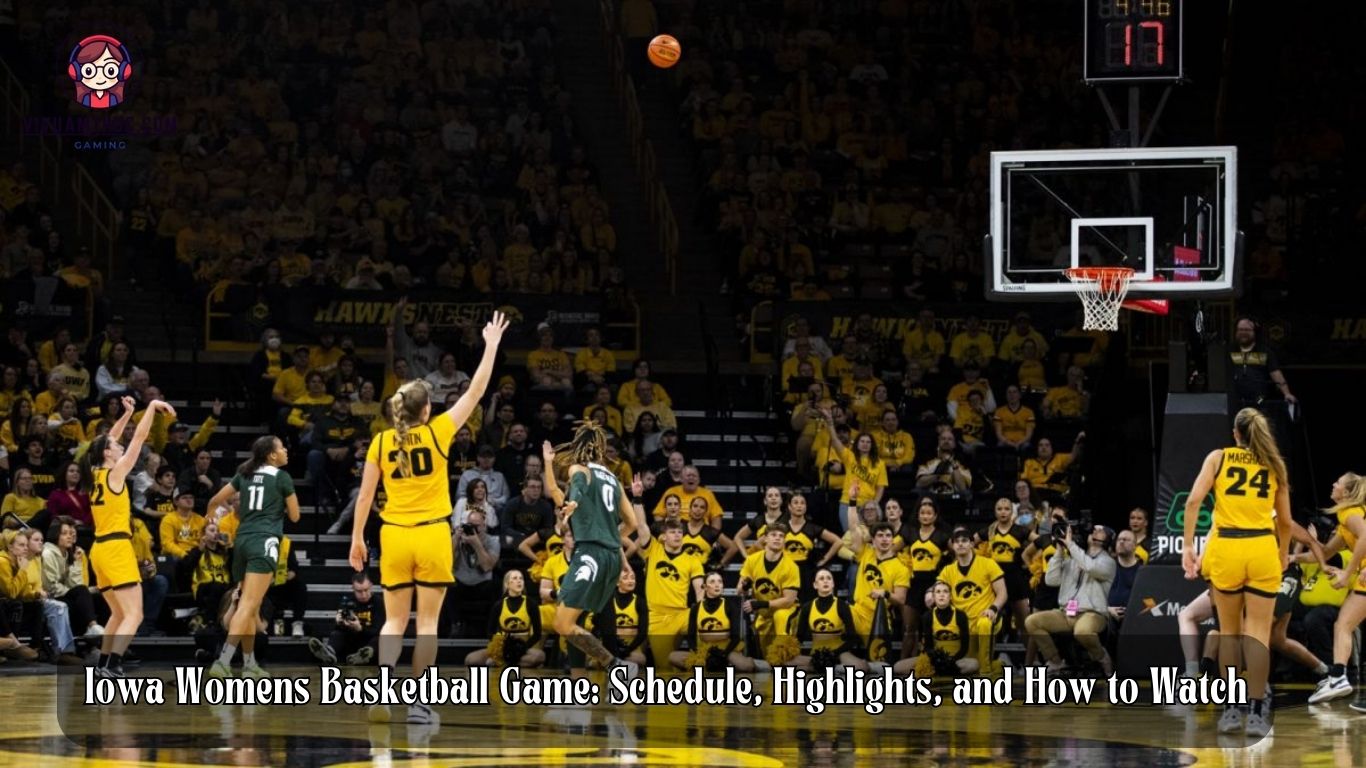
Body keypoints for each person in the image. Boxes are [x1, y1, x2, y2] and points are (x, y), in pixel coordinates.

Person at [349, 311, 507, 726]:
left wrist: (356, 540)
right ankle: (418, 703)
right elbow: (475, 390)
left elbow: (365, 495)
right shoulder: (438, 431)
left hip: (394, 535)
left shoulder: (381, 440)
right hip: (433, 533)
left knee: (394, 621)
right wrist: (490, 345)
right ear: (427, 410)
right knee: (429, 623)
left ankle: (381, 694)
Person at [1182, 407, 1290, 736]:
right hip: (1261, 549)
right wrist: (1283, 552)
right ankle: (1257, 712)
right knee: (1257, 634)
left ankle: (1231, 710)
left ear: (1235, 434)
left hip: (1227, 547)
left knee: (1228, 632)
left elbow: (1193, 502)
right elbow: (1285, 522)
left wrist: (1188, 547)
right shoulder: (1275, 464)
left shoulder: (1219, 457)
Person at [541, 422, 644, 676]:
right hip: (611, 558)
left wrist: (573, 502)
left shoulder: (580, 469)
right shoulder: (614, 480)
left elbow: (576, 488)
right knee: (574, 622)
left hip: (591, 556)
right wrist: (609, 536)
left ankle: (615, 666)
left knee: (562, 623)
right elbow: (633, 524)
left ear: (579, 447)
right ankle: (581, 699)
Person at [83, 396, 169, 678]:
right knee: (134, 614)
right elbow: (139, 437)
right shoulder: (116, 473)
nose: (120, 445)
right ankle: (113, 665)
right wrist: (152, 406)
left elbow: (107, 438)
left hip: (98, 550)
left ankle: (102, 665)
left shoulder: (95, 472)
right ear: (108, 454)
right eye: (116, 447)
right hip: (117, 547)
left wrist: (127, 412)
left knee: (118, 615)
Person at [1023, 522, 1116, 676]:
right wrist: (1059, 551)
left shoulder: (1108, 562)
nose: (1094, 531)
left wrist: (1071, 545)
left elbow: (1091, 567)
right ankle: (1055, 661)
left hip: (1093, 614)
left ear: (1108, 539)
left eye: (1100, 530)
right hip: (1066, 613)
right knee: (1032, 621)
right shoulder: (1072, 558)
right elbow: (1051, 580)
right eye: (1094, 528)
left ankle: (1102, 657)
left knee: (1082, 631)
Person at [1308, 472, 1366, 707]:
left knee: (1343, 625)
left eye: (1338, 482)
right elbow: (1326, 553)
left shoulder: (1350, 512)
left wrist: (1349, 572)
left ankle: (1338, 676)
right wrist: (1293, 556)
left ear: (1347, 492)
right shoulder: (1345, 521)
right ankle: (1338, 676)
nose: (1333, 484)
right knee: (1343, 625)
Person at [631, 515, 704, 667]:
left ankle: (710, 662)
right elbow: (641, 524)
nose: (678, 534)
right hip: (657, 617)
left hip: (683, 614)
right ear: (663, 537)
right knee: (664, 667)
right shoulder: (653, 550)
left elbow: (699, 589)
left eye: (680, 532)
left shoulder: (692, 560)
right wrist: (637, 498)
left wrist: (704, 612)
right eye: (672, 532)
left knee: (709, 625)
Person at [936, 527, 1008, 676]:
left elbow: (1003, 593)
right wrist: (930, 593)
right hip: (962, 622)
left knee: (984, 624)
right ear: (953, 546)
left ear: (971, 544)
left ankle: (987, 673)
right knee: (970, 664)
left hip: (985, 617)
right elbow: (937, 588)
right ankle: (998, 665)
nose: (961, 544)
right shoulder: (948, 570)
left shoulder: (988, 564)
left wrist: (993, 609)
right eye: (957, 542)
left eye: (964, 541)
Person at [670, 571, 765, 672]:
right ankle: (715, 666)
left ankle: (728, 663)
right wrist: (698, 653)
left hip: (727, 650)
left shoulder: (730, 606)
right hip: (705, 650)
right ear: (705, 587)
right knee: (673, 657)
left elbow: (736, 637)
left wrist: (724, 654)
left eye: (720, 582)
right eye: (712, 582)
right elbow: (691, 636)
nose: (717, 585)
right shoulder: (696, 608)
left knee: (747, 666)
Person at [893, 581, 978, 678]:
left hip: (957, 659)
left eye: (945, 591)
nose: (942, 595)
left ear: (950, 596)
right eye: (938, 592)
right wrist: (937, 660)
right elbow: (928, 646)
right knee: (897, 667)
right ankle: (943, 671)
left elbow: (964, 647)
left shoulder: (960, 616)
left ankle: (942, 671)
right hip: (935, 659)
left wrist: (951, 660)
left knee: (973, 664)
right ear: (933, 597)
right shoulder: (927, 616)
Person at [789, 568, 866, 673]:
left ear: (833, 584)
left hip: (839, 653)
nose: (825, 581)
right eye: (821, 578)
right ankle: (822, 667)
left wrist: (833, 653)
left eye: (829, 578)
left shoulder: (842, 605)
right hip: (816, 655)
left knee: (861, 667)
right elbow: (799, 638)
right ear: (815, 585)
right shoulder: (807, 607)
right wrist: (786, 647)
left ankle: (822, 668)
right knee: (783, 663)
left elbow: (852, 639)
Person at [464, 570, 544, 668]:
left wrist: (523, 647)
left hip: (524, 648)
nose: (519, 581)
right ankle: (508, 661)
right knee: (470, 659)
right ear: (507, 584)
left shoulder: (531, 604)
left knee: (539, 656)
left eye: (521, 578)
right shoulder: (498, 605)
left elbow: (537, 633)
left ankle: (503, 663)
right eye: (515, 578)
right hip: (503, 647)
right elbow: (490, 632)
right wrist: (502, 647)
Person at [40, 516, 103, 639]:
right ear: (55, 534)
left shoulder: (68, 553)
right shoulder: (47, 553)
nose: (69, 536)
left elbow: (75, 584)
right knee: (78, 600)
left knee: (99, 598)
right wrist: (76, 592)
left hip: (62, 594)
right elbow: (51, 587)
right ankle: (92, 628)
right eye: (64, 533)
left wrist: (76, 563)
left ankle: (103, 639)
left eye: (70, 533)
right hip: (48, 597)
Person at [310, 571, 385, 666]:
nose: (364, 594)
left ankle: (363, 655)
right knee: (337, 633)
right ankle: (329, 653)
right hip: (351, 642)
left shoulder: (378, 602)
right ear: (353, 589)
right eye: (359, 591)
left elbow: (378, 630)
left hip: (369, 642)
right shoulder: (347, 601)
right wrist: (339, 623)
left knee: (381, 638)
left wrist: (360, 629)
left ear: (371, 586)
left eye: (366, 590)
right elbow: (338, 628)